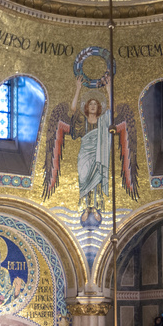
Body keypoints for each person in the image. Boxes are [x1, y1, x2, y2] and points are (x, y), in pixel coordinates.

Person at [71, 72, 112, 224]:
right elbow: (73, 110)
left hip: (98, 154)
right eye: (91, 104)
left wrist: (108, 89)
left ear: (99, 107)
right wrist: (78, 88)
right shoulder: (82, 120)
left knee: (97, 180)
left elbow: (112, 111)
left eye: (96, 104)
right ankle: (85, 207)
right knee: (83, 177)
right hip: (85, 154)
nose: (93, 106)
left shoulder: (103, 120)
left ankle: (95, 207)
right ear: (87, 107)